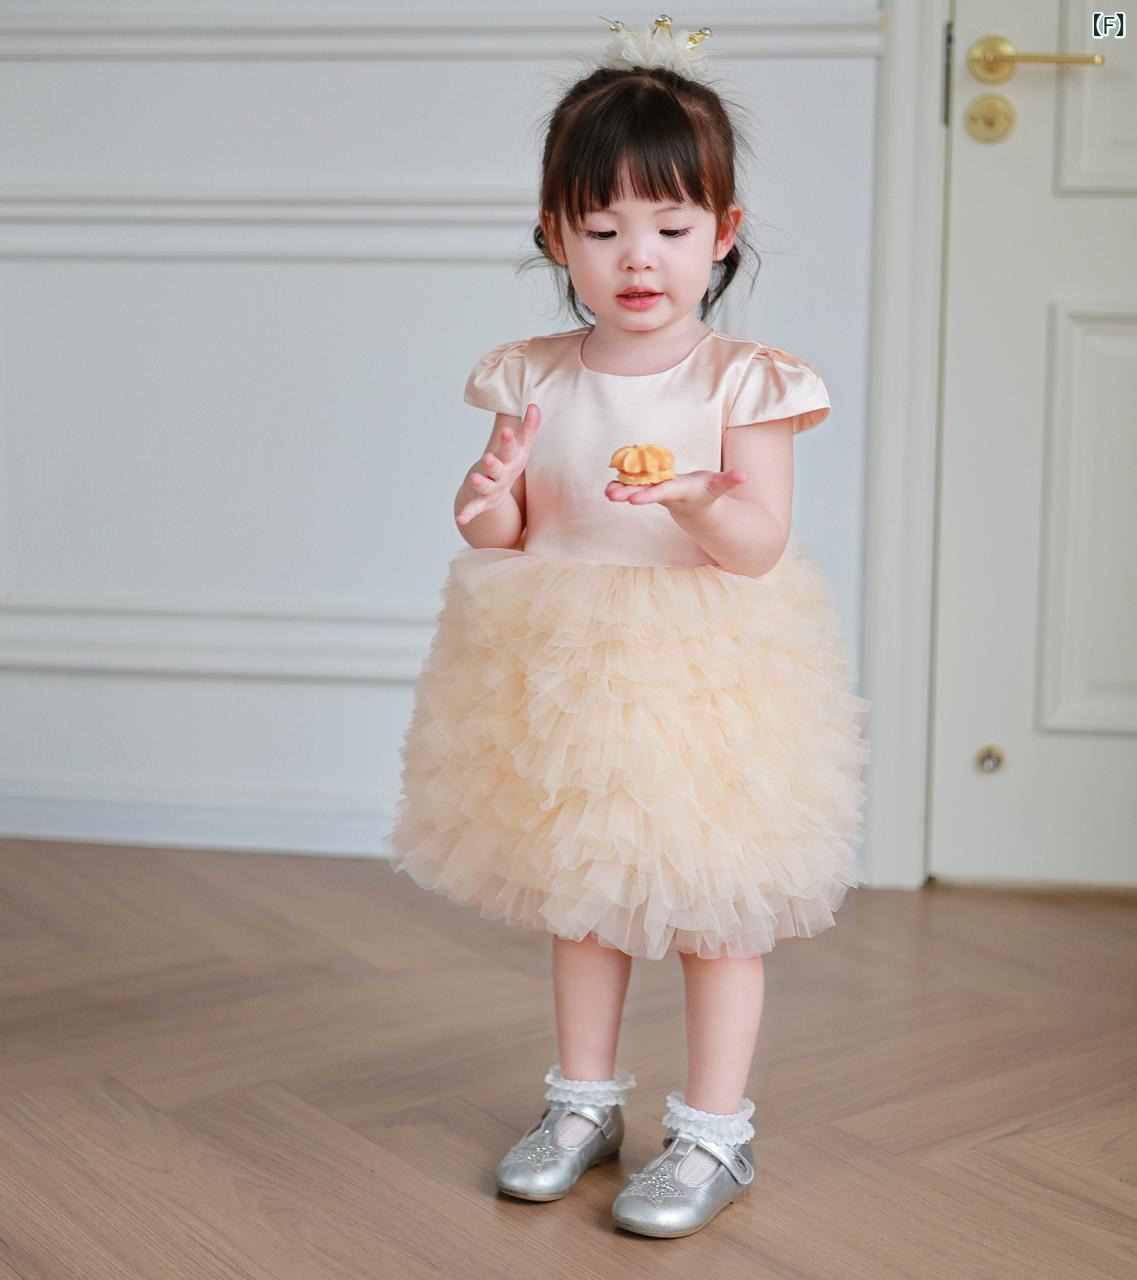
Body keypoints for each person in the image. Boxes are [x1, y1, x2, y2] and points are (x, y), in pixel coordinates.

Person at [385, 14, 871, 1239]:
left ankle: (713, 1129)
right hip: (565, 663)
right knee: (585, 893)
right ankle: (582, 1102)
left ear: (724, 231)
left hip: (705, 671)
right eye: (602, 231)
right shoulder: (533, 373)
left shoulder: (745, 380)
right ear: (556, 235)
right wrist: (486, 500)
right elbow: (507, 527)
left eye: (670, 226)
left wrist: (703, 496)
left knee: (715, 904)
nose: (637, 257)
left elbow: (756, 542)